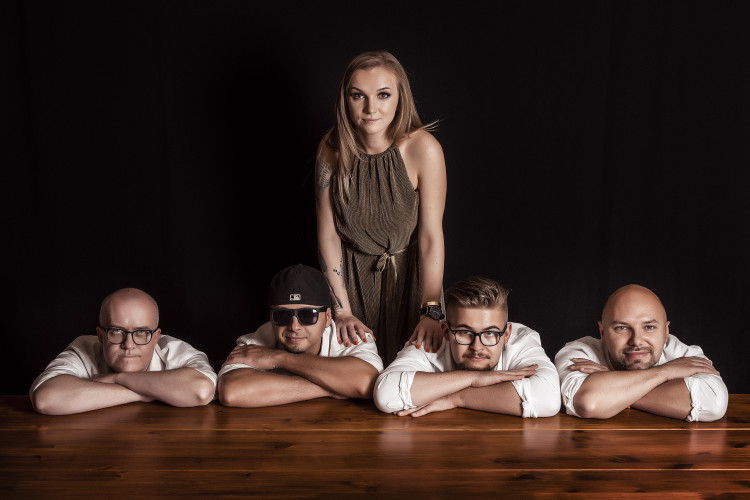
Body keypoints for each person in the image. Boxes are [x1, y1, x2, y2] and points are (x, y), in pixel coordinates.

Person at [315, 50, 447, 364]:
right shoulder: (331, 151)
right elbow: (328, 237)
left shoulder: (423, 149)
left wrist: (431, 311)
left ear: (400, 98)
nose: (370, 108)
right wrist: (342, 311)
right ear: (345, 100)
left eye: (383, 95)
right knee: (357, 381)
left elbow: (431, 236)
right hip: (350, 287)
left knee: (411, 379)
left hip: (412, 285)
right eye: (358, 95)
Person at [374, 276, 560, 418]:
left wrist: (456, 398)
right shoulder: (431, 339)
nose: (476, 347)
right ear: (445, 331)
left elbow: (548, 399)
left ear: (507, 334)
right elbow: (385, 394)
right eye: (464, 332)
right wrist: (475, 378)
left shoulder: (522, 339)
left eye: (490, 333)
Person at [555, 284, 728, 421]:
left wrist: (613, 388)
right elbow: (588, 403)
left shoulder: (684, 354)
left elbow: (714, 403)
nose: (637, 340)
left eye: (649, 327)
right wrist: (665, 372)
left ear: (666, 332)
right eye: (621, 328)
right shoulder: (578, 352)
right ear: (602, 333)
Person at [218, 264, 383, 407]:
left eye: (307, 315)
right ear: (271, 318)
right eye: (282, 315)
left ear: (327, 317)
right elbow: (231, 391)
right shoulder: (257, 340)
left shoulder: (349, 336)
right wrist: (336, 386)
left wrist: (278, 358)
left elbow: (367, 383)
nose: (294, 326)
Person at [30, 288, 217, 415]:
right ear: (100, 336)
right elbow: (45, 399)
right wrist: (146, 393)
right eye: (116, 331)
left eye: (141, 332)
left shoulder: (176, 351)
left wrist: (117, 378)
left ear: (156, 337)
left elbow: (201, 390)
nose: (128, 344)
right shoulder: (83, 349)